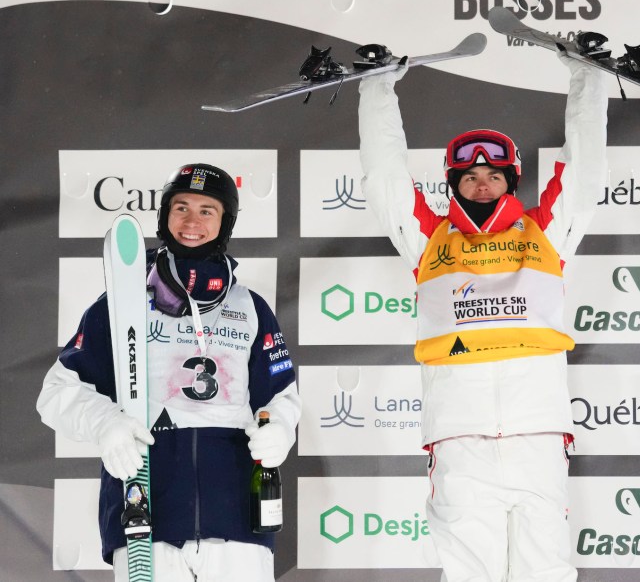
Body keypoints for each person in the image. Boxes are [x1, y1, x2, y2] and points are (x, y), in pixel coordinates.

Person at [357, 52, 608, 581]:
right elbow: (385, 183)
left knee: (546, 574)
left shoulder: (546, 234)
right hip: (461, 441)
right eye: (469, 177)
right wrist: (377, 90)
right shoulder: (429, 240)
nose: (481, 186)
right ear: (453, 184)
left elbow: (583, 175)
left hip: (537, 438)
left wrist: (590, 79)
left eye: (493, 175)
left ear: (511, 181)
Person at [37, 164, 300, 581]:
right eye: (181, 207)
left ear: (224, 222)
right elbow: (56, 393)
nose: (192, 221)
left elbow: (280, 396)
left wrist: (281, 428)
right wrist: (106, 425)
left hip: (234, 516)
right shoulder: (123, 300)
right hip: (145, 511)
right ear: (164, 216)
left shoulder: (251, 307)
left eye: (206, 210)